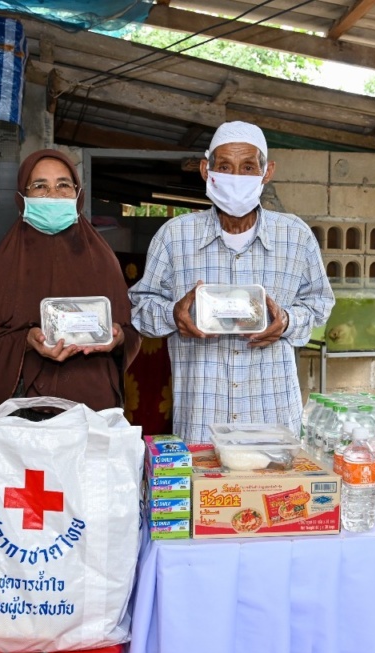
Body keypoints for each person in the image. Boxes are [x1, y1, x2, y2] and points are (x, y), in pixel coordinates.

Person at [129, 121, 334, 443]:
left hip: (274, 417)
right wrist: (173, 315)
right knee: (206, 495)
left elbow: (320, 303)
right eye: (224, 166)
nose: (236, 177)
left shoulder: (295, 236)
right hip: (202, 419)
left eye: (248, 167)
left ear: (267, 173)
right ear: (205, 170)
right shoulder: (174, 236)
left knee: (272, 495)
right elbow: (141, 307)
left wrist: (288, 320)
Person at [0, 149, 141, 419]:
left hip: (93, 411)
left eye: (64, 185)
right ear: (23, 196)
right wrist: (27, 341)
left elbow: (130, 332)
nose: (54, 195)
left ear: (78, 194)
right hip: (26, 413)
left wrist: (117, 338)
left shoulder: (102, 259)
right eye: (40, 186)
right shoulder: (5, 262)